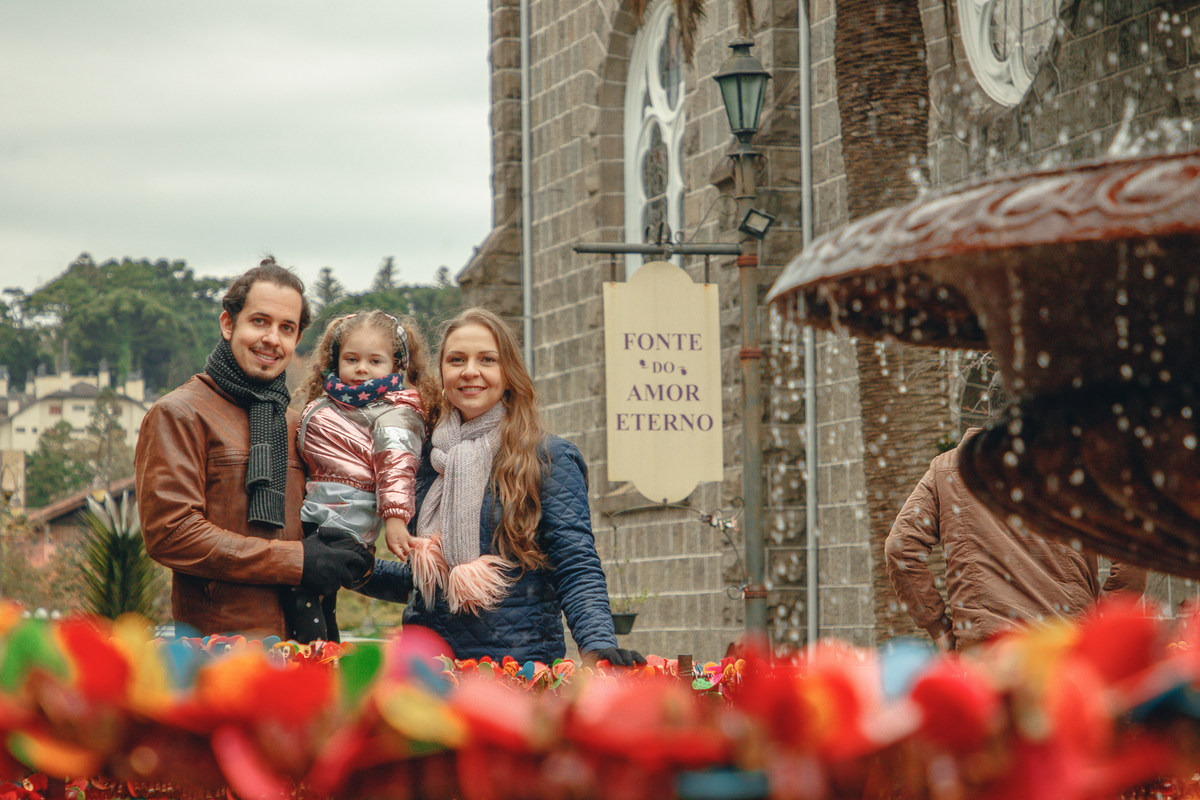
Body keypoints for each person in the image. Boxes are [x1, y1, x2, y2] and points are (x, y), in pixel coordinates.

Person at [357, 307, 644, 666]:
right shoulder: (423, 457)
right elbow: (426, 583)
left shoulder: (547, 457)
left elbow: (575, 565)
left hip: (518, 673)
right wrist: (356, 568)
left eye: (487, 359)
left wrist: (597, 644)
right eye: (456, 359)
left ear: (508, 373)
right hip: (429, 674)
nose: (470, 371)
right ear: (442, 372)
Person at [135, 257, 373, 639]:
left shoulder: (299, 422)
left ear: (297, 340)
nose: (272, 339)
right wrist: (298, 561)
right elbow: (172, 535)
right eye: (259, 321)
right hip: (218, 653)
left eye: (286, 328)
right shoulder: (179, 413)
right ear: (228, 324)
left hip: (303, 647)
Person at [885, 370, 1147, 652]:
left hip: (986, 653)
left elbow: (899, 548)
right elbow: (1135, 548)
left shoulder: (947, 470)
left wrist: (940, 629)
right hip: (1064, 647)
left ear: (990, 408)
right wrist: (1102, 622)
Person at [284, 309, 438, 643]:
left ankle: (312, 663)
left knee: (302, 587)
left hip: (348, 523)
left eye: (374, 361)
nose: (361, 369)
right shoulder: (331, 403)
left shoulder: (395, 411)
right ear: (335, 359)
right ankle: (325, 659)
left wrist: (395, 520)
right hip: (318, 515)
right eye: (351, 359)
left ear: (396, 366)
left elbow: (396, 466)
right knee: (321, 598)